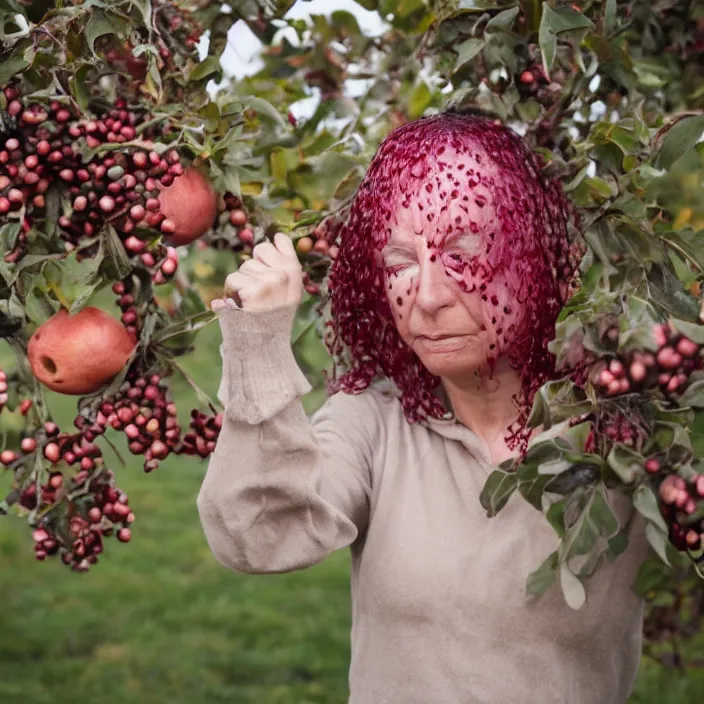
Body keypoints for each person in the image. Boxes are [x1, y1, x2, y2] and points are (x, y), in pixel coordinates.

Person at [198, 109, 651, 704]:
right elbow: (257, 535)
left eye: (464, 256)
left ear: (536, 261)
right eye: (400, 263)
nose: (428, 297)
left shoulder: (629, 430)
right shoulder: (374, 422)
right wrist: (258, 347)